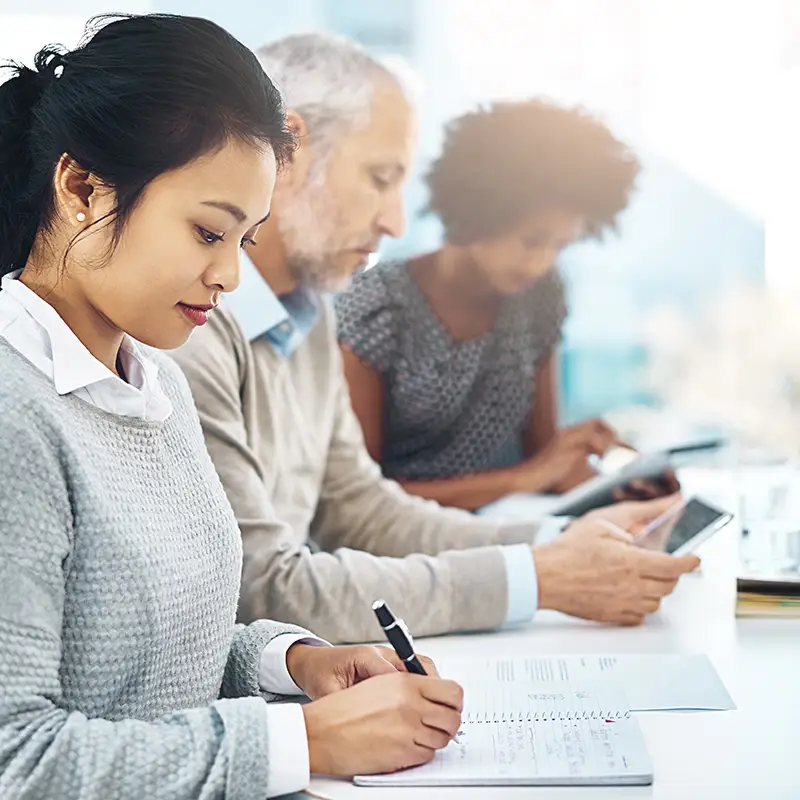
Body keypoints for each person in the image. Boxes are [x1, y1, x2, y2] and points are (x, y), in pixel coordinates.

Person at [0, 16, 466, 799]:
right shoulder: (16, 417)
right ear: (81, 188)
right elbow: (19, 760)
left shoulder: (154, 380)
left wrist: (298, 662)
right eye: (207, 231)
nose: (228, 278)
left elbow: (147, 664)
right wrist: (302, 742)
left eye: (244, 241)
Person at [170, 34, 699, 647]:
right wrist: (538, 576)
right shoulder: (190, 330)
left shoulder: (311, 313)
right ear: (287, 153)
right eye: (379, 177)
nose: (396, 221)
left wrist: (561, 543)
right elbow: (255, 585)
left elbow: (361, 509)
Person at [336, 100, 678, 512]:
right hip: (405, 555)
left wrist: (610, 484)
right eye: (531, 241)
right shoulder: (377, 303)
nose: (542, 262)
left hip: (516, 530)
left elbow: (543, 457)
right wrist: (525, 478)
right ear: (477, 212)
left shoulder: (540, 295)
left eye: (559, 245)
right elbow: (357, 500)